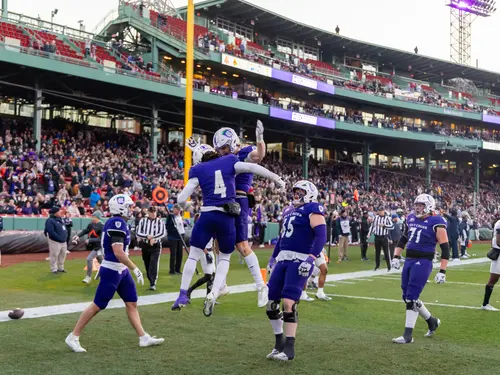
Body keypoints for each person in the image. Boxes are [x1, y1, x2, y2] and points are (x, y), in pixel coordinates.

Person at [171, 142, 284, 316]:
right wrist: (275, 178)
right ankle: (214, 292)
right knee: (224, 257)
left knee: (193, 255)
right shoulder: (229, 160)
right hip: (226, 217)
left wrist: (186, 207)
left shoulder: (197, 170)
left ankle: (182, 295)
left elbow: (181, 198)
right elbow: (253, 168)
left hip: (207, 215)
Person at [65, 194, 164, 352]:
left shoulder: (119, 222)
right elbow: (118, 252)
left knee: (131, 303)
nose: (131, 209)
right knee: (98, 305)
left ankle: (143, 337)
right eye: (129, 206)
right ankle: (73, 336)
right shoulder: (117, 222)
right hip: (112, 269)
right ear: (121, 207)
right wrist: (135, 268)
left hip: (121, 270)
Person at [265, 180, 327, 361]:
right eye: (295, 191)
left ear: (309, 193)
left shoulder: (313, 208)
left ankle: (289, 348)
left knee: (288, 303)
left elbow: (321, 235)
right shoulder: (288, 210)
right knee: (271, 305)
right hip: (283, 258)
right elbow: (283, 237)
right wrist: (272, 258)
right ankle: (279, 343)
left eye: (300, 191)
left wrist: (311, 258)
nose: (296, 194)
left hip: (299, 260)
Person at [212, 123, 270, 307]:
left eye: (223, 148)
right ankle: (221, 284)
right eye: (219, 149)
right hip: (224, 201)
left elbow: (259, 156)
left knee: (242, 245)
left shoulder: (243, 152)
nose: (221, 152)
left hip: (238, 199)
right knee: (218, 244)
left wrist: (260, 140)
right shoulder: (224, 158)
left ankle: (262, 286)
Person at [391, 194, 449, 344]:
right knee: (407, 297)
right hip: (409, 260)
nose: (417, 207)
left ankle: (407, 335)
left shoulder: (437, 221)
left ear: (429, 206)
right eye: (416, 204)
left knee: (411, 296)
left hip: (423, 261)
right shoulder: (411, 218)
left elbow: (445, 247)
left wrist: (442, 271)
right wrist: (396, 257)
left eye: (421, 205)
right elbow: (403, 238)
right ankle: (432, 321)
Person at [136, 206, 166, 291]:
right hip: (145, 244)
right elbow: (138, 232)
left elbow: (163, 233)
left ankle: (153, 283)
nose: (153, 214)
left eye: (154, 212)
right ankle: (150, 280)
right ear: (148, 212)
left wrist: (154, 238)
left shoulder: (160, 221)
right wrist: (147, 236)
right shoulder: (143, 221)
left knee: (154, 263)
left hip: (156, 245)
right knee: (147, 263)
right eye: (151, 212)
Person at [72, 213, 104, 284]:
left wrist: (90, 240)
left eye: (94, 217)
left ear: (98, 218)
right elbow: (85, 231)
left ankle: (88, 277)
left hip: (99, 247)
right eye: (92, 216)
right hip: (94, 246)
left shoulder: (102, 226)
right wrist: (77, 236)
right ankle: (107, 275)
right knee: (102, 262)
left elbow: (101, 239)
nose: (92, 218)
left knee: (89, 259)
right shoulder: (91, 224)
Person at [481, 217, 500, 311]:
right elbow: (499, 241)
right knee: (493, 280)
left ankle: (485, 304)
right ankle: (485, 304)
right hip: (499, 254)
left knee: (493, 280)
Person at [44, 206, 68, 274]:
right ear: (55, 213)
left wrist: (65, 236)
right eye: (58, 211)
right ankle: (54, 269)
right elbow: (50, 231)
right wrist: (58, 237)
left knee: (63, 255)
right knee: (54, 255)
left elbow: (64, 228)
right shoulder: (50, 220)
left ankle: (61, 268)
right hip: (55, 241)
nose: (60, 212)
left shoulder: (61, 219)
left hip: (63, 241)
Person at [369, 207, 393, 271]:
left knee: (386, 252)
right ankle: (377, 266)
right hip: (377, 237)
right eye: (379, 211)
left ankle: (389, 266)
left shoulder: (387, 218)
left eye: (381, 211)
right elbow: (372, 226)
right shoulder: (376, 218)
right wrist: (369, 234)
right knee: (377, 252)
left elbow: (392, 226)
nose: (380, 212)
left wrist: (384, 226)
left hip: (384, 237)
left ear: (384, 211)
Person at [166, 204, 185, 275]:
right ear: (174, 209)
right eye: (177, 209)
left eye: (179, 210)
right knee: (173, 254)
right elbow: (167, 226)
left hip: (180, 236)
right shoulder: (171, 216)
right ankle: (172, 270)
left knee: (180, 253)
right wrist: (173, 227)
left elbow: (182, 226)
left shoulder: (181, 217)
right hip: (173, 237)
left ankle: (178, 269)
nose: (178, 211)